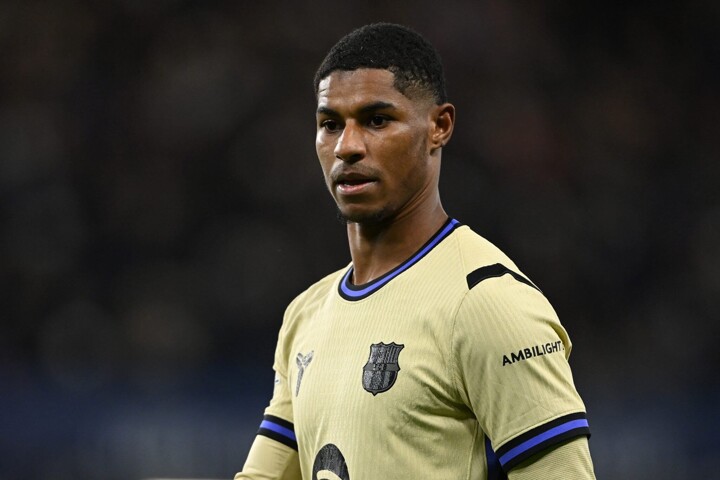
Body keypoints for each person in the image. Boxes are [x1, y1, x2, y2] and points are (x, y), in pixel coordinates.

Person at [235, 23, 595, 479]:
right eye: (330, 125)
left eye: (377, 120)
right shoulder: (306, 314)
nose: (347, 146)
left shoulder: (486, 303)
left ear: (439, 127)